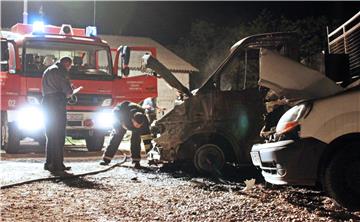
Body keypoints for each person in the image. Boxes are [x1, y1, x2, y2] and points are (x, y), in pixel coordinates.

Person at [41, 56, 80, 176]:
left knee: (51, 134)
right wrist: (73, 90)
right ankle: (57, 165)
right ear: (66, 63)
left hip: (47, 103)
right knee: (58, 135)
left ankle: (49, 163)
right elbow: (68, 92)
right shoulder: (60, 71)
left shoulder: (48, 70)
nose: (70, 68)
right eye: (70, 66)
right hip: (57, 105)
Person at [100, 101, 153, 168]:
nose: (138, 126)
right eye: (137, 124)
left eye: (140, 125)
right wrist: (117, 128)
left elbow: (147, 138)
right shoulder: (120, 113)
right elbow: (114, 118)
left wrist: (150, 155)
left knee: (136, 140)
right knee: (117, 137)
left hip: (130, 119)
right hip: (121, 121)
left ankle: (136, 161)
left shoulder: (144, 121)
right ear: (133, 120)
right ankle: (107, 159)